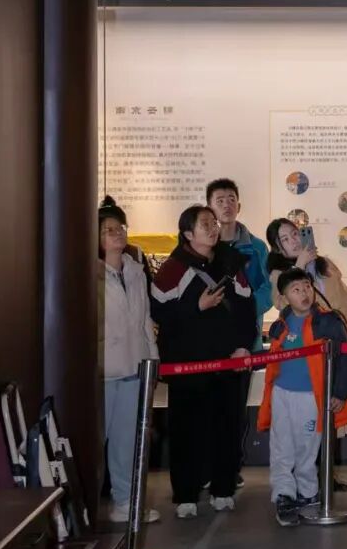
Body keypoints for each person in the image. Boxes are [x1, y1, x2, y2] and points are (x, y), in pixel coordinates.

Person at [150, 203, 258, 518]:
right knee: (187, 429)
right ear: (187, 234)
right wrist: (196, 306)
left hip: (228, 363)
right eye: (204, 224)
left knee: (227, 426)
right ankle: (186, 494)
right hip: (187, 366)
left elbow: (246, 308)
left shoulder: (230, 262)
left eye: (213, 223)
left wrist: (243, 346)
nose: (212, 228)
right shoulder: (173, 268)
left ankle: (223, 489)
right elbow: (159, 312)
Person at [265, 216, 347, 487]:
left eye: (295, 234)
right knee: (305, 420)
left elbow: (346, 303)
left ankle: (326, 474)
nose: (293, 241)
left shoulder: (325, 265)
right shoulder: (279, 274)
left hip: (334, 344)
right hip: (304, 354)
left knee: (332, 411)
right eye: (285, 239)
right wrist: (299, 266)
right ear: (277, 248)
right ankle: (304, 478)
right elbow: (280, 303)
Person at [258, 268, 347, 527]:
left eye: (307, 287)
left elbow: (344, 358)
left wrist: (340, 392)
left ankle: (309, 492)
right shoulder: (281, 323)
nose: (304, 293)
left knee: (307, 447)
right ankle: (284, 495)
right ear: (284, 297)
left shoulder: (329, 322)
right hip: (281, 394)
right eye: (296, 289)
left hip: (311, 397)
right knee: (281, 447)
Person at [98, 196, 159, 524]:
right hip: (103, 371)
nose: (117, 233)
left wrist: (152, 359)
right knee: (96, 441)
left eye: (120, 227)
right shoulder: (90, 272)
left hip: (135, 366)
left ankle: (126, 501)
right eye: (108, 229)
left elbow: (145, 319)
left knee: (127, 442)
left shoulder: (135, 269)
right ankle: (85, 506)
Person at [207, 179, 270, 475]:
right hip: (208, 341)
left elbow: (269, 288)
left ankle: (231, 469)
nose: (226, 205)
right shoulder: (204, 245)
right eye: (220, 200)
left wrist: (244, 311)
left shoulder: (256, 248)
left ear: (239, 205)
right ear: (209, 207)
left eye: (231, 199)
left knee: (235, 408)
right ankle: (208, 468)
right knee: (208, 407)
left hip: (244, 340)